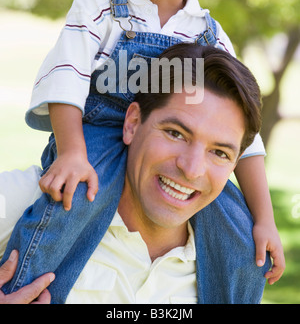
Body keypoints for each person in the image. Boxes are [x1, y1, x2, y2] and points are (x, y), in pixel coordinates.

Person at [0, 0, 284, 301]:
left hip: (164, 141)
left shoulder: (207, 33)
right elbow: (68, 77)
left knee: (240, 234)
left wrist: (263, 217)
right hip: (94, 138)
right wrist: (72, 153)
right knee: (72, 204)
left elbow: (242, 132)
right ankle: (24, 285)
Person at [0, 44, 273, 304]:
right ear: (132, 123)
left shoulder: (236, 265)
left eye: (220, 153)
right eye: (175, 134)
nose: (191, 169)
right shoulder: (36, 199)